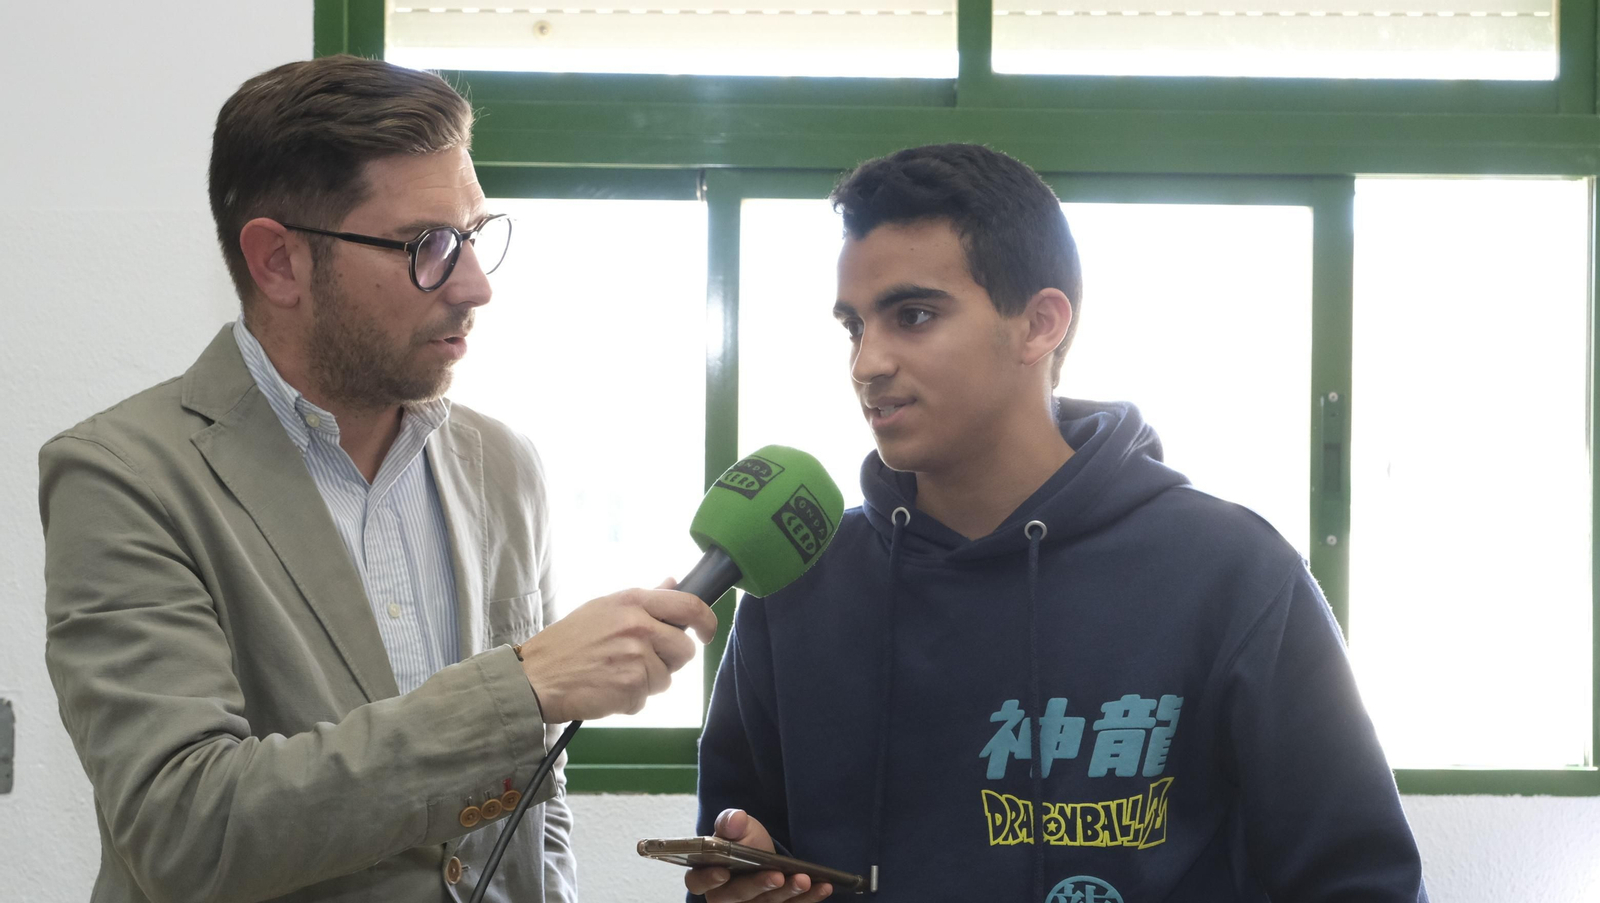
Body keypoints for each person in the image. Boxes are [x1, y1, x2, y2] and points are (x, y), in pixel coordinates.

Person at [38, 55, 716, 903]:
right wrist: (522, 684)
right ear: (278, 262)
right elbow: (184, 830)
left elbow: (537, 802)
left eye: (474, 233)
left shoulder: (503, 466)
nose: (476, 284)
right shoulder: (124, 476)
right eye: (426, 245)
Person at [686, 144, 1427, 903]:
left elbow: (1360, 883)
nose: (867, 362)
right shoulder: (798, 587)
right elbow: (727, 862)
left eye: (913, 315)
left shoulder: (1231, 571)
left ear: (1039, 324)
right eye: (853, 325)